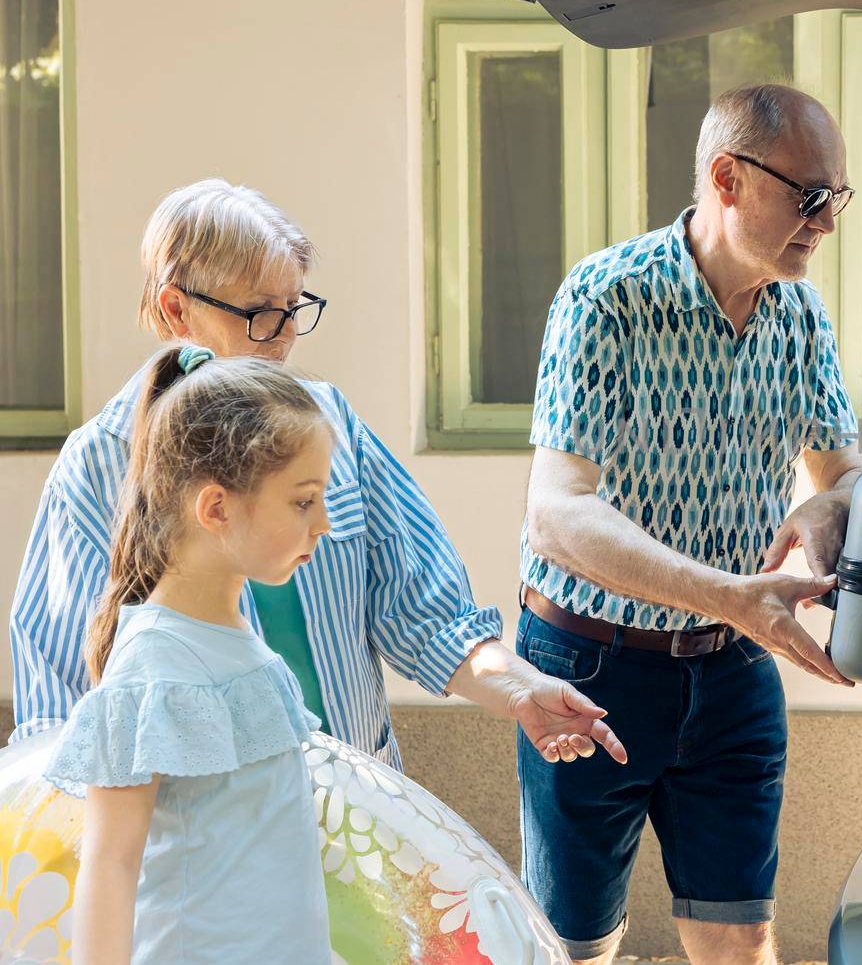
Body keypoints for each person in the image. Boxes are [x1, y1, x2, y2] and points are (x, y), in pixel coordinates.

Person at [10, 179, 624, 769]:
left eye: (293, 308)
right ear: (177, 310)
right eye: (258, 314)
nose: (283, 339)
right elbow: (62, 698)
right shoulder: (101, 463)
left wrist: (520, 690)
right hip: (203, 835)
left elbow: (428, 610)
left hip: (352, 810)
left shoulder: (328, 423)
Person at [517, 84, 862, 965]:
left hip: (734, 670)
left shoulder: (802, 314)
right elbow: (557, 514)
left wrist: (826, 505)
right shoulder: (608, 295)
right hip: (588, 665)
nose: (826, 222)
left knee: (742, 941)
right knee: (572, 946)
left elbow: (844, 468)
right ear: (727, 177)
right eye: (809, 196)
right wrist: (737, 596)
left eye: (838, 199)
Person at [46, 345, 335, 965]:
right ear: (216, 508)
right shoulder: (154, 666)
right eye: (303, 500)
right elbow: (110, 863)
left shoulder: (238, 641)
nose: (325, 523)